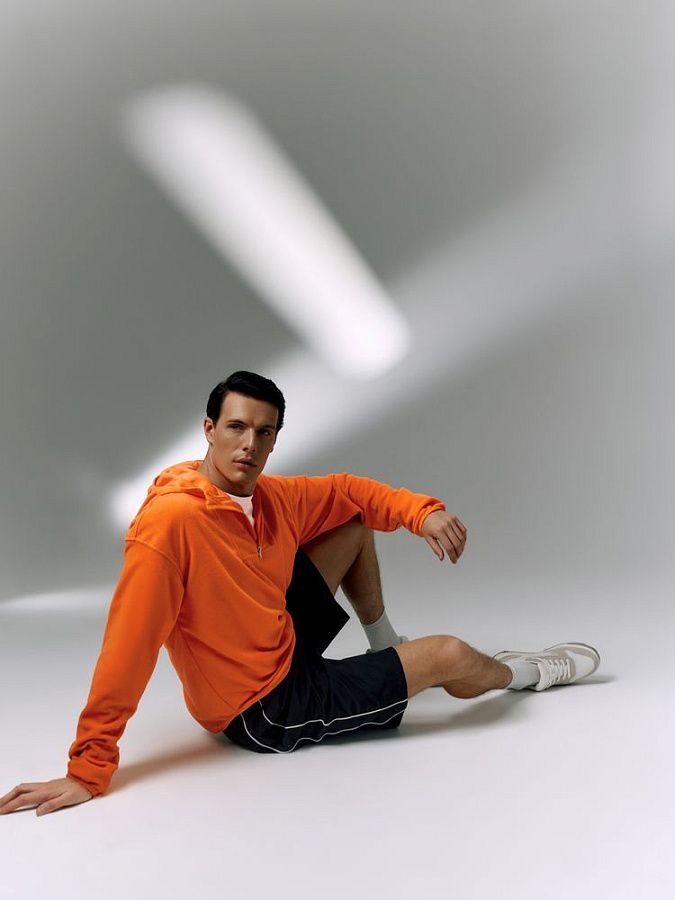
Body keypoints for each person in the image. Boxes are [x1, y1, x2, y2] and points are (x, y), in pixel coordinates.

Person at [0, 370, 600, 817]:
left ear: (274, 441)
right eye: (235, 427)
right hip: (262, 707)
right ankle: (527, 675)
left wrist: (423, 512)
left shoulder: (268, 497)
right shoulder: (171, 525)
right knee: (450, 655)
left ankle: (386, 648)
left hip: (276, 642)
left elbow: (348, 491)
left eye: (263, 433)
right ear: (209, 430)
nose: (248, 445)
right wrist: (89, 768)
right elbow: (127, 648)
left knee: (352, 521)